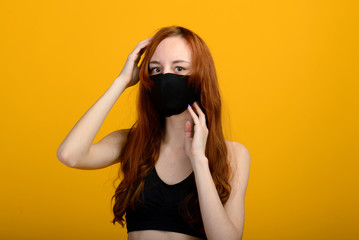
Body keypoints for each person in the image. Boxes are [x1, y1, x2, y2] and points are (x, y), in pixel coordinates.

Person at [57, 25, 251, 240]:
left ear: (201, 76)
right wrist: (121, 82)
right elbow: (70, 155)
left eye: (179, 69)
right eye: (156, 69)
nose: (166, 78)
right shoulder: (132, 142)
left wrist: (198, 160)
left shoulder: (233, 154)